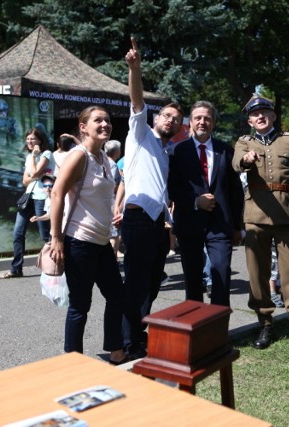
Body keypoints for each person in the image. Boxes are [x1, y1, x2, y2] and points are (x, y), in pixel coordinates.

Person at [48, 105, 139, 365]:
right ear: (83, 126)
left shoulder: (105, 160)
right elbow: (57, 193)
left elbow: (106, 196)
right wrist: (56, 237)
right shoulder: (79, 156)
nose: (105, 124)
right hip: (79, 242)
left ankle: (116, 350)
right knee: (80, 305)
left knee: (117, 297)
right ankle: (73, 360)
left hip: (101, 243)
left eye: (107, 121)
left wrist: (115, 217)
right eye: (98, 120)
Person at [232, 94, 289, 353]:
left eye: (265, 113)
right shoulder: (244, 143)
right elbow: (237, 163)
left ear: (273, 116)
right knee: (258, 274)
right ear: (249, 120)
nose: (260, 117)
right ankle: (265, 322)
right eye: (255, 114)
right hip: (255, 216)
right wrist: (246, 161)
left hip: (287, 216)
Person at [119, 38, 184, 358]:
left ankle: (137, 332)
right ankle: (129, 341)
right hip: (138, 216)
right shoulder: (141, 133)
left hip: (158, 220)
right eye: (167, 115)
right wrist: (135, 68)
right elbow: (136, 102)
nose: (170, 120)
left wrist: (169, 222)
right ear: (156, 118)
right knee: (136, 282)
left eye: (176, 119)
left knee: (154, 278)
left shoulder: (165, 150)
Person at [168, 100, 244, 307]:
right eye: (198, 118)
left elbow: (235, 191)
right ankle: (196, 329)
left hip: (220, 225)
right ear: (190, 122)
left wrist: (238, 226)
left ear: (214, 122)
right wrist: (195, 201)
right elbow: (172, 188)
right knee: (192, 279)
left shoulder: (225, 150)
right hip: (189, 223)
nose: (202, 122)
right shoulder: (176, 151)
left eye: (207, 118)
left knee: (221, 273)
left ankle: (217, 331)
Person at [0, 128, 55, 279]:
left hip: (42, 198)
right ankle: (16, 269)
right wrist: (37, 172)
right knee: (18, 233)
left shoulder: (46, 154)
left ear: (40, 140)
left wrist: (36, 168)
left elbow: (35, 173)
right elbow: (25, 180)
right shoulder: (30, 156)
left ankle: (56, 266)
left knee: (45, 236)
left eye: (33, 139)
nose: (30, 142)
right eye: (28, 139)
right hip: (28, 197)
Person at [104, 140, 122, 258]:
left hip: (103, 200)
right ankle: (113, 258)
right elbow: (114, 185)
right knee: (114, 234)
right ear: (116, 152)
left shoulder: (102, 161)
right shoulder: (113, 165)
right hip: (112, 201)